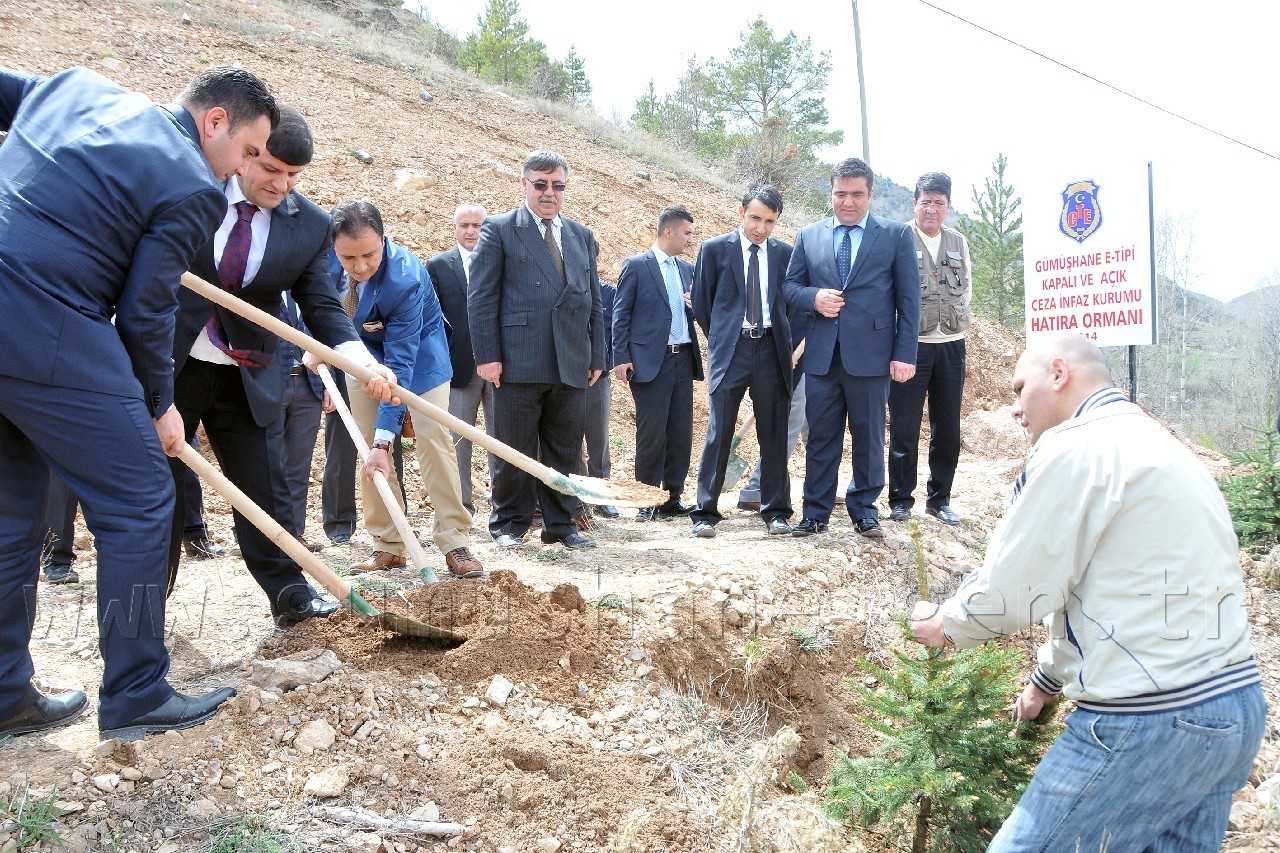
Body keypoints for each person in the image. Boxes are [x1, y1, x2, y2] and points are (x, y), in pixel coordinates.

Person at [0, 64, 275, 741]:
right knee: (143, 497)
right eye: (247, 151)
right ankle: (137, 692)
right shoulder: (193, 186)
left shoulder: (76, 86)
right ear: (214, 121)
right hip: (47, 326)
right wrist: (158, 404)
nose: (244, 170)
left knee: (11, 511)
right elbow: (147, 312)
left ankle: (4, 692)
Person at [909, 333, 1265, 852]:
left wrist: (947, 624)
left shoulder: (1078, 446)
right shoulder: (1159, 443)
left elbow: (1019, 585)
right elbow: (1118, 589)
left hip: (1149, 718)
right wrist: (1047, 680)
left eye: (1019, 388)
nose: (1014, 408)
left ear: (1059, 374)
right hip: (1233, 705)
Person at [170, 106, 388, 627]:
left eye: (293, 175)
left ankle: (290, 593)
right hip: (172, 366)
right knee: (160, 493)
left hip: (247, 372)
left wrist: (360, 361)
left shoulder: (308, 225)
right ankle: (147, 606)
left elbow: (322, 305)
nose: (282, 184)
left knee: (264, 491)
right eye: (271, 169)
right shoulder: (189, 188)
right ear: (246, 152)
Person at [329, 201, 484, 580]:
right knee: (368, 449)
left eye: (369, 255)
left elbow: (400, 365)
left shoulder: (405, 278)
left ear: (384, 239)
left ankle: (454, 539)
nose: (359, 266)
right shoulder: (324, 263)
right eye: (349, 257)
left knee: (432, 438)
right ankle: (388, 543)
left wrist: (386, 440)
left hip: (419, 360)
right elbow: (320, 309)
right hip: (361, 357)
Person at [468, 150, 605, 551]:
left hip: (571, 361)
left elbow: (594, 301)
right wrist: (487, 356)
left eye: (557, 185)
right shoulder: (499, 229)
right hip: (518, 359)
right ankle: (509, 524)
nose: (549, 192)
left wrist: (597, 356)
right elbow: (481, 298)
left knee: (565, 449)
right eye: (540, 184)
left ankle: (560, 525)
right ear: (524, 184)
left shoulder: (580, 235)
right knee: (514, 448)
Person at [782, 158, 918, 539]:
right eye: (840, 194)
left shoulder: (894, 236)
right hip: (822, 357)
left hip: (872, 356)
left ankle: (864, 510)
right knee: (821, 438)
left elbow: (909, 302)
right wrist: (814, 298)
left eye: (856, 194)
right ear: (831, 193)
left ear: (870, 194)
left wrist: (905, 354)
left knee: (869, 437)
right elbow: (790, 287)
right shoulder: (809, 235)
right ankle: (815, 513)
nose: (848, 202)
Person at [689, 185, 794, 538]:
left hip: (771, 352)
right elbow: (702, 303)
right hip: (730, 352)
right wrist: (723, 337)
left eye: (769, 222)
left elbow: (791, 307)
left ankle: (776, 511)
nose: (761, 228)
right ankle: (705, 512)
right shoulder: (715, 249)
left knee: (774, 432)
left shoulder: (785, 255)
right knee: (719, 431)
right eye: (755, 218)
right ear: (741, 212)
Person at [887, 172, 971, 526]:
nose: (931, 210)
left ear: (948, 206)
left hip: (951, 345)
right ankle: (900, 500)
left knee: (947, 428)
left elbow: (967, 289)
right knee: (904, 426)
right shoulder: (898, 238)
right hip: (911, 347)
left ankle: (940, 499)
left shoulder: (958, 241)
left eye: (939, 203)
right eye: (925, 202)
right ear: (914, 203)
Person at [613, 205, 702, 522]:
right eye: (687, 233)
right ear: (669, 231)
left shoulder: (688, 270)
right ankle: (646, 500)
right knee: (652, 433)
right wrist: (620, 357)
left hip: (683, 359)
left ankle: (672, 498)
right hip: (651, 362)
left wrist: (696, 306)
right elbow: (621, 314)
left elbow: (698, 315)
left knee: (680, 432)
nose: (690, 239)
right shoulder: (637, 266)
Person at [428, 203, 494, 516]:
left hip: (500, 368)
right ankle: (461, 507)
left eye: (477, 225)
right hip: (458, 370)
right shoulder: (438, 266)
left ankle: (506, 508)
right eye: (464, 225)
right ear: (454, 228)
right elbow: (433, 320)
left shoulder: (502, 263)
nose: (471, 231)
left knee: (503, 442)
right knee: (457, 441)